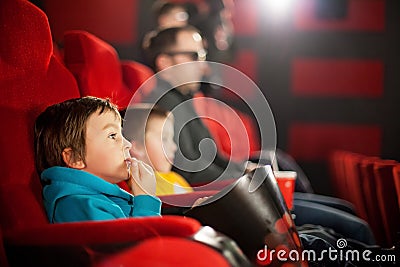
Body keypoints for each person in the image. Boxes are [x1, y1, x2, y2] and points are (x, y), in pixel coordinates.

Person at [143, 25, 255, 185]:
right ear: (165, 62)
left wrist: (244, 169)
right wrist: (242, 178)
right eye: (194, 56)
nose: (203, 66)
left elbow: (213, 158)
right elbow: (189, 171)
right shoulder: (165, 104)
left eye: (203, 56)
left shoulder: (181, 99)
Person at [34, 96, 161, 223]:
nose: (128, 144)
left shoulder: (104, 197)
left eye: (121, 135)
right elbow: (134, 240)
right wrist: (146, 200)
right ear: (75, 157)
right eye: (112, 136)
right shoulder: (78, 205)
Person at [122, 104, 193, 196]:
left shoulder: (175, 178)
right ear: (137, 147)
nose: (174, 147)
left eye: (171, 138)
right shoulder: (139, 187)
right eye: (164, 139)